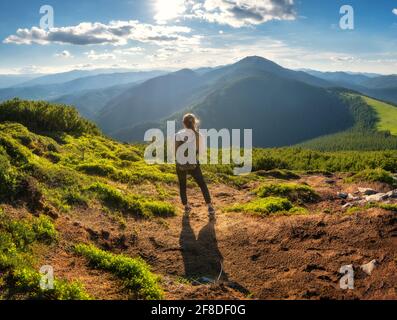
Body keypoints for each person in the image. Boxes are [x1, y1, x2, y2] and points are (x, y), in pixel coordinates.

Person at [175, 113, 215, 215]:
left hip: (180, 164)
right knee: (202, 184)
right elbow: (201, 152)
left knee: (182, 185)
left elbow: (175, 151)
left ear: (183, 123)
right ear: (194, 122)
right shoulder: (199, 135)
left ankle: (186, 207)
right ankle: (210, 207)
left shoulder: (178, 134)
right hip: (193, 163)